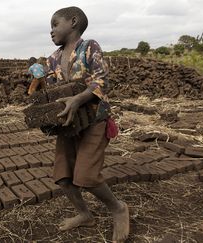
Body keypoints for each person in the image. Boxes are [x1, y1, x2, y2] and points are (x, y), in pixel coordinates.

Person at [46, 6, 129, 242]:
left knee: (86, 176)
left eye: (55, 24)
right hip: (68, 125)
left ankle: (118, 208)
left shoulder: (89, 47)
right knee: (63, 176)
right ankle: (84, 214)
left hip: (94, 121)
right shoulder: (52, 59)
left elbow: (102, 81)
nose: (51, 31)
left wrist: (78, 99)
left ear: (73, 22)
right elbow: (53, 92)